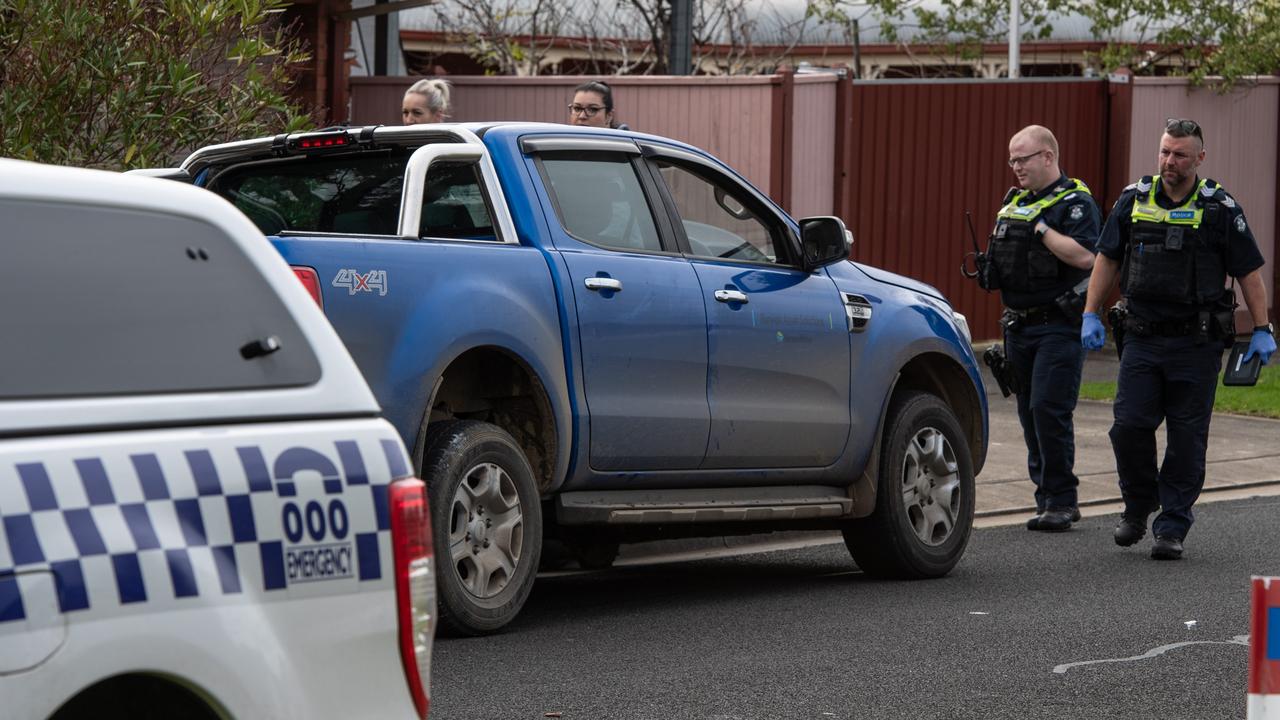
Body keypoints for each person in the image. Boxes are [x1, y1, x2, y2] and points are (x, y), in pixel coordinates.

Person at [1081, 118, 1276, 560]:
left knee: (1187, 438)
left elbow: (1248, 273)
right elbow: (1107, 259)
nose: (1170, 161)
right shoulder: (1134, 200)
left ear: (1199, 158)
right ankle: (1137, 505)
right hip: (1142, 339)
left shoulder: (1220, 208)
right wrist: (1089, 314)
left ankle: (1172, 524)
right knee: (1128, 426)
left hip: (1197, 343)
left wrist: (1262, 329)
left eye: (1180, 154)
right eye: (1165, 152)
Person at [986, 125, 1101, 533]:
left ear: (1048, 157)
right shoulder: (1013, 202)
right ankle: (1046, 496)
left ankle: (1062, 500)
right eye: (1012, 160)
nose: (1016, 167)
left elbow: (1088, 257)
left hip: (1058, 325)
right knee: (1027, 413)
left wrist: (1041, 229)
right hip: (1018, 326)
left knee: (1048, 411)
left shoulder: (1074, 203)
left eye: (1024, 159)